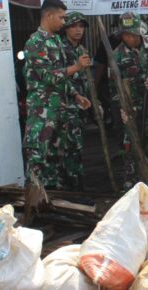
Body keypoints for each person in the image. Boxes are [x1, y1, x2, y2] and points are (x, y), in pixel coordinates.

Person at [22, 0, 92, 190]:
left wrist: (76, 95)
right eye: (61, 18)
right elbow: (47, 76)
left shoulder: (55, 41)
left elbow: (61, 78)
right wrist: (76, 67)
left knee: (55, 159)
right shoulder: (36, 42)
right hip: (42, 112)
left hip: (58, 110)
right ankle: (33, 204)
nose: (63, 22)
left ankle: (52, 202)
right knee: (38, 157)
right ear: (49, 15)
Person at [112, 12, 148, 188]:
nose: (130, 38)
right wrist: (121, 107)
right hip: (130, 107)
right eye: (126, 34)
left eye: (134, 34)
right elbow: (113, 87)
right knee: (131, 145)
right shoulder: (116, 56)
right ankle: (131, 183)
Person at [60, 12, 91, 190]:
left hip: (81, 105)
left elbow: (86, 78)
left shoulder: (81, 50)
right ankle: (73, 189)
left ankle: (78, 185)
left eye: (81, 26)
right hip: (67, 105)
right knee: (71, 149)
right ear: (66, 28)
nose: (78, 30)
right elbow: (60, 77)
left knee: (78, 148)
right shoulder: (61, 49)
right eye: (74, 26)